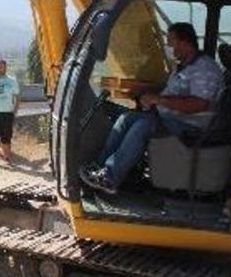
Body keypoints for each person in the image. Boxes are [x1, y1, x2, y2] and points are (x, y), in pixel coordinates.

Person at [81, 22, 223, 194]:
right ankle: (99, 166)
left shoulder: (204, 69)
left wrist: (159, 100)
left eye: (171, 41)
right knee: (126, 118)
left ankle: (109, 178)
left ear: (185, 42)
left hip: (189, 126)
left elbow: (199, 104)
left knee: (143, 126)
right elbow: (172, 91)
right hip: (170, 118)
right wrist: (145, 91)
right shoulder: (183, 65)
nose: (168, 47)